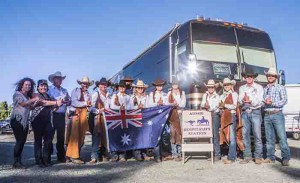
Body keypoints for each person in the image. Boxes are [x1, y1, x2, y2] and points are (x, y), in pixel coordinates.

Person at [29, 80, 63, 167]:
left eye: (45, 86)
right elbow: (43, 102)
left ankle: (46, 159)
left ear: (47, 87)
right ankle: (39, 161)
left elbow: (53, 108)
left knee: (48, 141)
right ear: (38, 87)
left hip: (48, 120)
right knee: (38, 141)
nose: (43, 87)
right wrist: (56, 102)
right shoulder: (35, 95)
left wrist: (58, 104)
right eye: (41, 86)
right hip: (37, 120)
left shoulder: (49, 96)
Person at [262, 68, 290, 166]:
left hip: (277, 114)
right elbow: (263, 102)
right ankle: (270, 157)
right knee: (269, 138)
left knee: (282, 137)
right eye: (269, 75)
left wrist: (272, 102)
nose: (270, 77)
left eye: (272, 75)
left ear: (275, 77)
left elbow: (284, 100)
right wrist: (264, 103)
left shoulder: (280, 87)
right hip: (267, 115)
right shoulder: (265, 89)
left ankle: (286, 158)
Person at [10, 77, 39, 168]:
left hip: (25, 121)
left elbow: (30, 107)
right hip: (17, 120)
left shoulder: (28, 96)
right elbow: (23, 104)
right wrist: (34, 99)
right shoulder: (17, 94)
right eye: (26, 84)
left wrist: (36, 103)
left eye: (29, 85)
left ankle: (19, 161)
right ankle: (16, 162)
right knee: (19, 141)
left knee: (22, 141)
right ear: (21, 85)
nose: (28, 86)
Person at [239, 67, 264, 164]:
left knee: (257, 135)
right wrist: (243, 100)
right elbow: (239, 100)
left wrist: (251, 101)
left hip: (255, 112)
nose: (249, 78)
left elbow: (260, 101)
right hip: (245, 112)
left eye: (251, 76)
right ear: (245, 77)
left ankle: (258, 156)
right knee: (245, 135)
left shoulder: (259, 87)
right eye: (247, 76)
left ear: (253, 77)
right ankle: (247, 156)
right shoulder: (242, 88)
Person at [66, 76, 93, 164]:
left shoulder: (88, 94)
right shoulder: (75, 90)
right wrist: (86, 103)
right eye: (83, 83)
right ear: (81, 84)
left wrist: (89, 107)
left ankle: (74, 155)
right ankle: (74, 156)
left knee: (81, 136)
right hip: (76, 114)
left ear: (88, 85)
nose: (85, 85)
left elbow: (89, 106)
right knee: (74, 135)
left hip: (84, 115)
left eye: (86, 84)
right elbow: (74, 102)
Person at [47, 71, 70, 163]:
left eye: (60, 78)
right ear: (53, 79)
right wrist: (56, 102)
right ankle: (47, 156)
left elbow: (69, 101)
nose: (59, 80)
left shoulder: (64, 90)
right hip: (52, 114)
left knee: (61, 137)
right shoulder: (49, 89)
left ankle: (61, 156)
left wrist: (67, 101)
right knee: (49, 136)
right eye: (57, 78)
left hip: (61, 115)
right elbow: (46, 101)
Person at [88, 77, 111, 164]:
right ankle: (94, 156)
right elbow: (90, 107)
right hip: (97, 117)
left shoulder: (109, 95)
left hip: (106, 118)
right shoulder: (95, 94)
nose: (104, 86)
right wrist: (98, 111)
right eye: (102, 84)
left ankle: (104, 154)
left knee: (105, 135)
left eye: (105, 84)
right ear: (99, 85)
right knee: (96, 135)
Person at [110, 80, 132, 162]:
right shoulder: (115, 95)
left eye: (123, 87)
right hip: (116, 117)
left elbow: (131, 106)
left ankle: (122, 154)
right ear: (118, 88)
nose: (122, 88)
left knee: (123, 134)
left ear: (125, 88)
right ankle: (115, 154)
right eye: (120, 87)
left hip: (125, 117)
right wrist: (119, 108)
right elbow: (112, 105)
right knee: (116, 134)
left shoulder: (128, 97)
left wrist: (125, 108)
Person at [147, 78, 168, 162]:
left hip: (163, 116)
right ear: (155, 86)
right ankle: (157, 156)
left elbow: (167, 104)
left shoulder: (165, 94)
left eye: (161, 85)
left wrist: (163, 103)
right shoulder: (151, 94)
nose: (159, 87)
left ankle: (163, 153)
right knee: (156, 135)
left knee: (165, 135)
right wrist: (157, 103)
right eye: (158, 85)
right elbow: (148, 105)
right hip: (155, 117)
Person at [219, 78, 238, 164]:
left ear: (231, 86)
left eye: (228, 85)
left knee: (232, 137)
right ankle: (231, 155)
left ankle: (231, 157)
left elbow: (234, 106)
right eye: (225, 85)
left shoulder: (234, 94)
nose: (227, 86)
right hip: (224, 115)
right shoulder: (222, 95)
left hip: (231, 115)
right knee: (227, 135)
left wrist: (224, 105)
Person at [201, 79, 221, 161]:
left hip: (214, 115)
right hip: (207, 115)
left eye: (212, 87)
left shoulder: (217, 96)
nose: (210, 89)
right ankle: (210, 153)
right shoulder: (205, 95)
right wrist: (205, 105)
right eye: (209, 87)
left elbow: (216, 106)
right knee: (209, 134)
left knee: (215, 135)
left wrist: (208, 107)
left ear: (214, 88)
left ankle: (217, 154)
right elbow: (202, 104)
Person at [167, 78, 186, 161]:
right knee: (172, 132)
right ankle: (174, 153)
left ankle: (180, 152)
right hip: (172, 114)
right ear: (172, 85)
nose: (175, 85)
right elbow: (166, 103)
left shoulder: (182, 93)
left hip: (180, 114)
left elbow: (183, 104)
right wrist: (172, 104)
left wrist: (176, 104)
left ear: (178, 85)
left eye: (176, 84)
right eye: (174, 84)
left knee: (180, 132)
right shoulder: (169, 93)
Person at [131, 79, 149, 161]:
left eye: (141, 88)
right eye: (139, 88)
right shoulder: (132, 97)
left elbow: (149, 106)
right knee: (136, 135)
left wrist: (143, 107)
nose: (140, 89)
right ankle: (137, 153)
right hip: (135, 117)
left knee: (143, 135)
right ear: (136, 88)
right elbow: (129, 107)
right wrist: (137, 107)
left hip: (144, 117)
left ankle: (144, 152)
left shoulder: (146, 97)